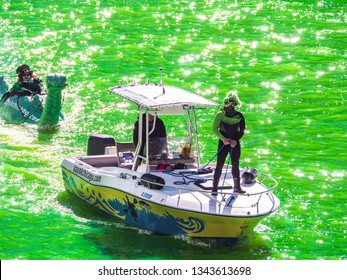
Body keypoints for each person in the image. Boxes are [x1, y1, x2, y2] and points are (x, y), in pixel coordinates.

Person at [212, 91, 246, 195]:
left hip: (235, 143)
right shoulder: (220, 115)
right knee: (219, 164)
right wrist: (223, 139)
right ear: (225, 103)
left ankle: (237, 187)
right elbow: (214, 129)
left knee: (235, 164)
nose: (230, 107)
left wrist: (235, 140)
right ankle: (214, 188)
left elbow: (242, 131)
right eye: (228, 104)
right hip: (224, 143)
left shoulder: (239, 116)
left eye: (233, 105)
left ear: (236, 105)